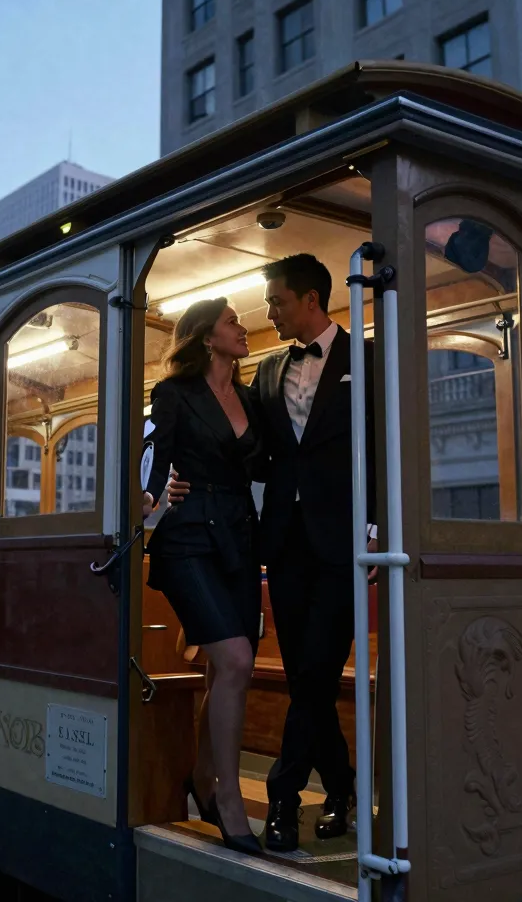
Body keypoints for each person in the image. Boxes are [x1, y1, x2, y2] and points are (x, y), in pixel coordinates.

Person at [169, 254, 376, 852]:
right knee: (307, 674)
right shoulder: (264, 371)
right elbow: (239, 447)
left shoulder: (365, 358)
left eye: (277, 302)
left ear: (310, 300)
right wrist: (173, 481)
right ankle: (340, 788)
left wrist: (376, 526)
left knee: (315, 671)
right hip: (281, 542)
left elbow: (387, 441)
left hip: (342, 542)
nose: (269, 313)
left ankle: (282, 798)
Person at [142, 297, 263, 856]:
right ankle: (229, 798)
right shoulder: (174, 393)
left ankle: (200, 777)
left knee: (226, 667)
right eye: (232, 321)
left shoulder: (249, 396)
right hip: (189, 537)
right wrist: (149, 497)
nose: (242, 328)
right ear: (206, 337)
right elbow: (154, 457)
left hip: (239, 538)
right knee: (235, 660)